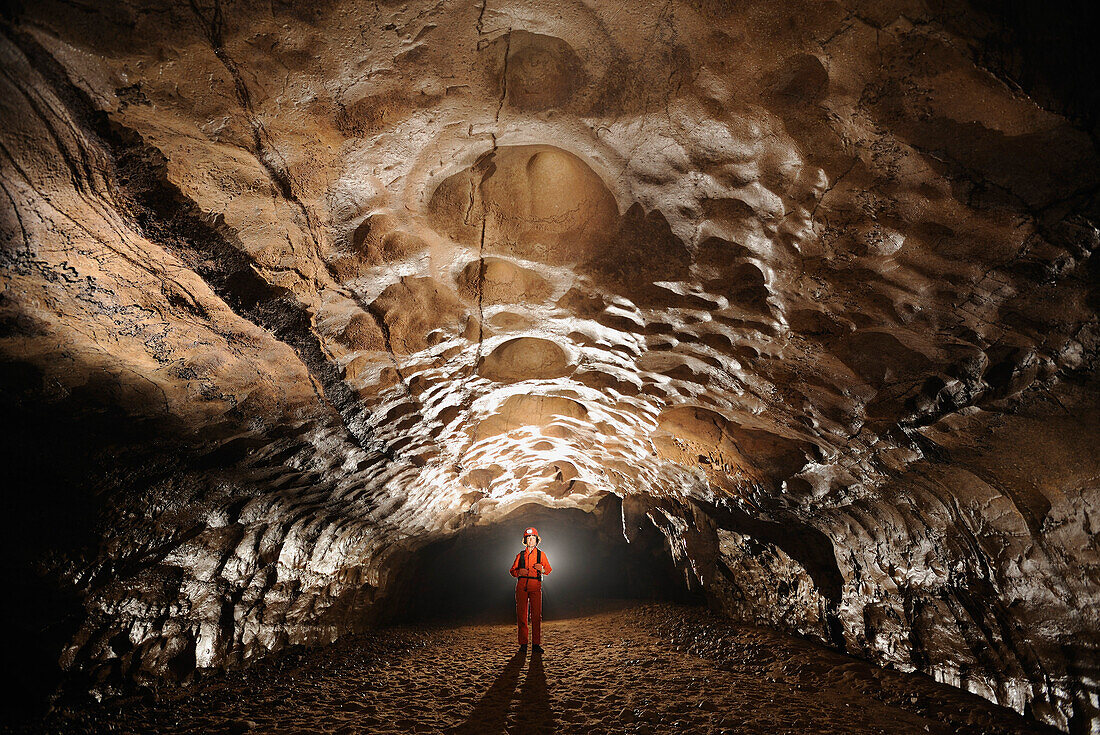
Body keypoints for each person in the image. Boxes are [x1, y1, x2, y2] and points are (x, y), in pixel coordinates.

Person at [510, 526, 552, 653]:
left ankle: (536, 644)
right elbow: (512, 570)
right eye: (528, 538)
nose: (531, 541)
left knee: (536, 616)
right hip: (522, 587)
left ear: (537, 540)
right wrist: (518, 572)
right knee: (522, 616)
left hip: (535, 586)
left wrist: (542, 569)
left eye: (533, 538)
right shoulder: (520, 555)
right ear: (525, 540)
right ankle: (523, 644)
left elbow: (549, 570)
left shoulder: (541, 554)